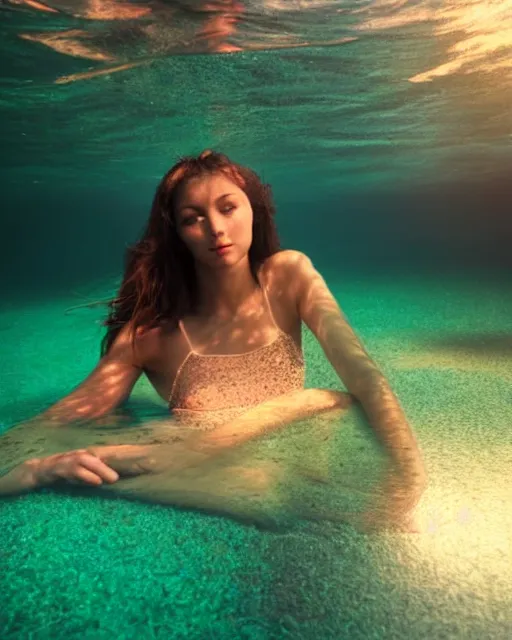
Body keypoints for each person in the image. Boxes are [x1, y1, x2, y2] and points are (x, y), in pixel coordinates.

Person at [0, 150, 427, 531]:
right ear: (178, 234)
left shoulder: (288, 275)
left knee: (326, 401)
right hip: (197, 481)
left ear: (253, 211)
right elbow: (52, 423)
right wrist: (36, 471)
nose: (216, 229)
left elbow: (362, 373)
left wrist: (410, 475)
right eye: (192, 218)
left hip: (285, 458)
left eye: (228, 208)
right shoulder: (150, 336)